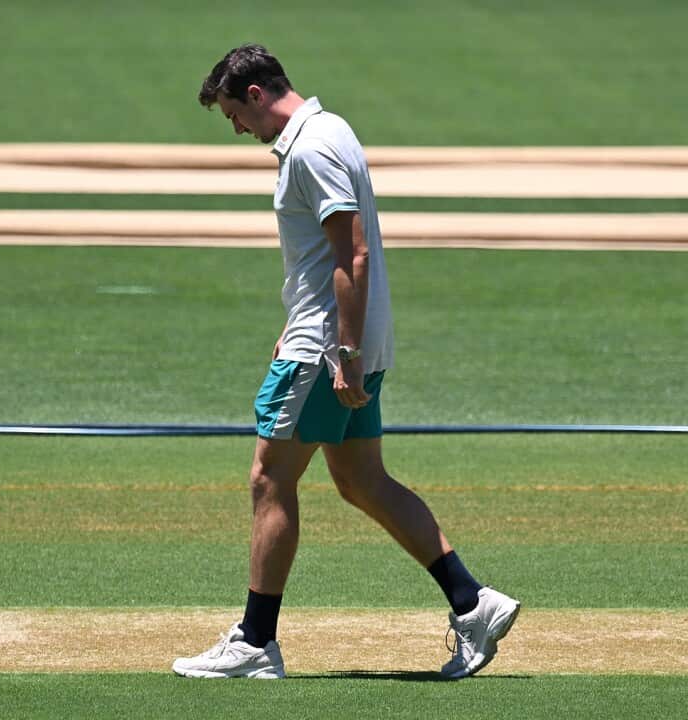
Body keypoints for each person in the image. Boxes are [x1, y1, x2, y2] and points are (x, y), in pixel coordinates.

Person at [172, 44, 520, 680]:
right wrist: (306, 328)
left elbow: (352, 253)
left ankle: (254, 642)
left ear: (254, 94)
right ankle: (473, 603)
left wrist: (345, 353)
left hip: (330, 349)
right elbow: (322, 259)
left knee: (268, 477)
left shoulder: (310, 147)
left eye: (233, 116)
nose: (237, 131)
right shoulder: (331, 131)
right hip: (335, 339)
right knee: (362, 482)